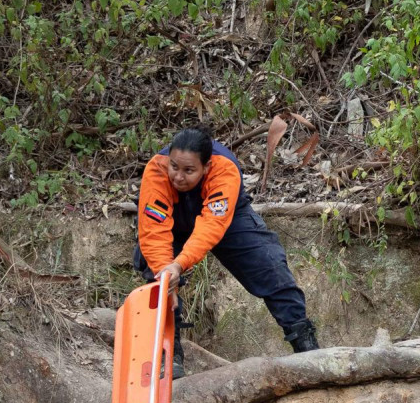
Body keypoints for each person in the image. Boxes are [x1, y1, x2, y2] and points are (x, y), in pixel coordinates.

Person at [135, 127, 319, 376]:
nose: (178, 177)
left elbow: (212, 225)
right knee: (157, 275)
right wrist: (166, 273)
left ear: (206, 167)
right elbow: (153, 231)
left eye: (189, 170)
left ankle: (306, 345)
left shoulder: (224, 170)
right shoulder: (157, 170)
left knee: (270, 265)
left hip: (227, 217)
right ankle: (168, 352)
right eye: (174, 167)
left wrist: (180, 264)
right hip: (174, 219)